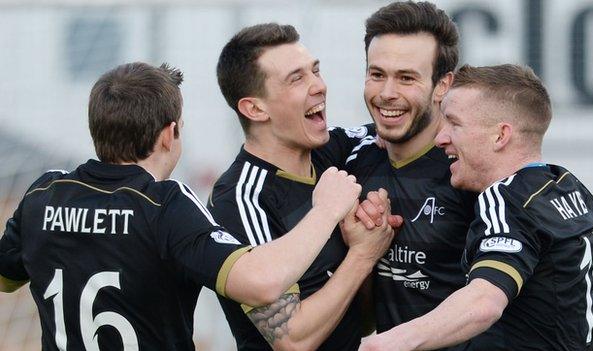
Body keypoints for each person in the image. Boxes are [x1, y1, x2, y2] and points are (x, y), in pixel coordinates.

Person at [0, 62, 365, 350]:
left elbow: (7, 277)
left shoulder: (43, 193)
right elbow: (261, 283)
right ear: (168, 134)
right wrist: (325, 211)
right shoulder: (164, 205)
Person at [360, 64, 593, 350]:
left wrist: (382, 345)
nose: (440, 137)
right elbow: (588, 286)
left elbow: (484, 303)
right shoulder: (562, 184)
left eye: (454, 124)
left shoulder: (505, 200)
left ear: (500, 135)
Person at [210, 23, 399, 351]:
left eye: (316, 71)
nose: (320, 86)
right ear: (255, 108)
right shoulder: (241, 198)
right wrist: (363, 255)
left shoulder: (336, 148)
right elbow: (291, 339)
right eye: (297, 79)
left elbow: (410, 126)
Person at [340, 1, 477, 339]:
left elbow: (560, 252)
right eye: (377, 74)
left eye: (406, 78)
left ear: (443, 85)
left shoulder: (474, 169)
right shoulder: (352, 160)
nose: (387, 94)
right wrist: (363, 250)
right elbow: (366, 320)